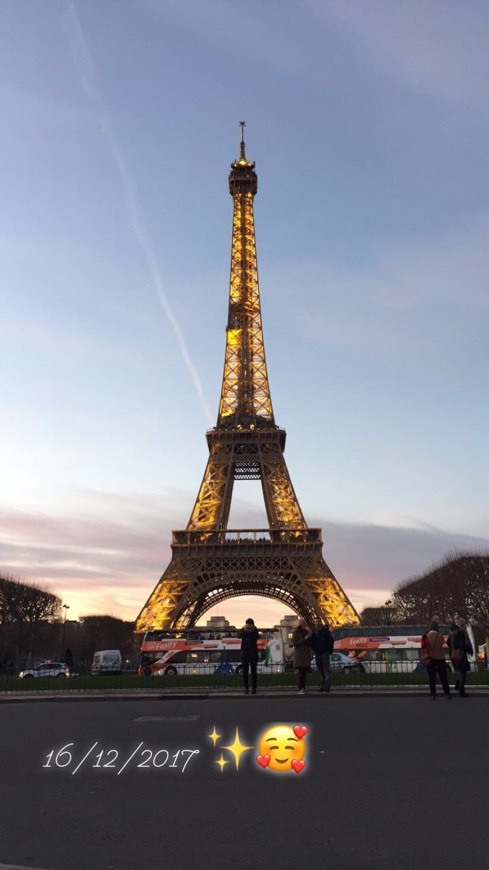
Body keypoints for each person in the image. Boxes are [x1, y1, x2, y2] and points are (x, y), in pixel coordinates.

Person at [425, 620, 451, 700]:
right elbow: (442, 643)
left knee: (432, 678)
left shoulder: (426, 636)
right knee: (443, 677)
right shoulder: (440, 636)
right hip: (440, 658)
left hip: (430, 658)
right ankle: (447, 693)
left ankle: (433, 694)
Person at [451, 617, 473, 697]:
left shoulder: (453, 632)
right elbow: (463, 644)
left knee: (461, 670)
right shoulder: (461, 632)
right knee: (463, 671)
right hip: (461, 653)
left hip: (456, 653)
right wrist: (469, 649)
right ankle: (461, 689)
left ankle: (457, 685)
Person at [310, 620, 334, 692]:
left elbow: (330, 642)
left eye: (318, 622)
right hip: (319, 654)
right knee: (322, 672)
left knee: (325, 672)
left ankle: (326, 688)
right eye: (315, 622)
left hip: (323, 653)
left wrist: (327, 651)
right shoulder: (315, 632)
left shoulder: (325, 632)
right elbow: (312, 642)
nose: (316, 623)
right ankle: (323, 687)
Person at [238, 618, 260, 695]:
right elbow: (258, 637)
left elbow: (238, 636)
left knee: (245, 673)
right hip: (253, 653)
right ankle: (254, 688)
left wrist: (244, 629)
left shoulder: (244, 630)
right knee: (254, 673)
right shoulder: (255, 630)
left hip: (245, 653)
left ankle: (246, 688)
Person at [292, 619, 312, 694]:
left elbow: (309, 643)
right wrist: (305, 639)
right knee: (300, 673)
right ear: (300, 625)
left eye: (305, 625)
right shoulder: (296, 633)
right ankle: (300, 688)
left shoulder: (306, 632)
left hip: (305, 654)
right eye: (304, 625)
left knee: (303, 673)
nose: (305, 626)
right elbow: (295, 643)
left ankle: (303, 688)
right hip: (299, 655)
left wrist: (309, 638)